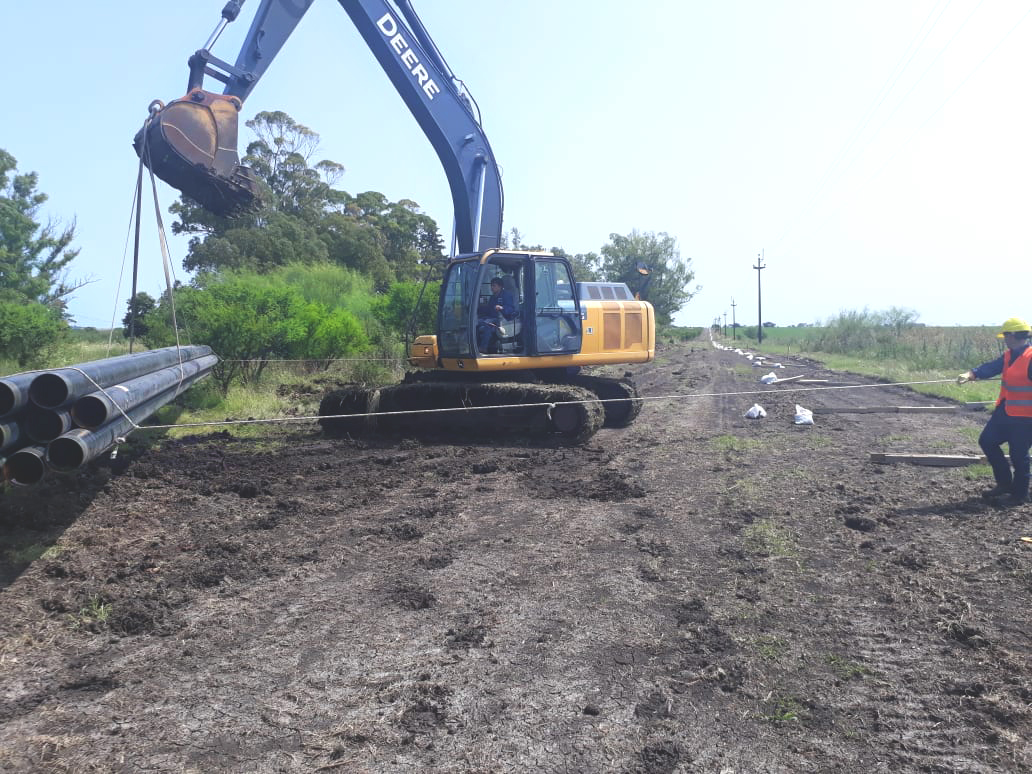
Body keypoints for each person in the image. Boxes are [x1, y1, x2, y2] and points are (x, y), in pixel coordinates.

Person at [957, 317, 1032, 505]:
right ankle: (1005, 484)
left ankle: (1019, 495)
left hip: (1026, 418)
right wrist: (971, 374)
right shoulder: (1009, 355)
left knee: (1018, 455)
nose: (1004, 339)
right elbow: (991, 367)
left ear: (1013, 335)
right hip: (1005, 411)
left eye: (1006, 335)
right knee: (987, 441)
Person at [477, 277, 517, 353]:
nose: (492, 287)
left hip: (503, 319)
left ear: (500, 286)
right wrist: (479, 308)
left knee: (487, 324)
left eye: (494, 286)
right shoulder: (492, 297)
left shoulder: (507, 295)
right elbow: (489, 310)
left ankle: (483, 347)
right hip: (492, 317)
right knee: (476, 322)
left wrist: (502, 308)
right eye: (491, 285)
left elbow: (511, 308)